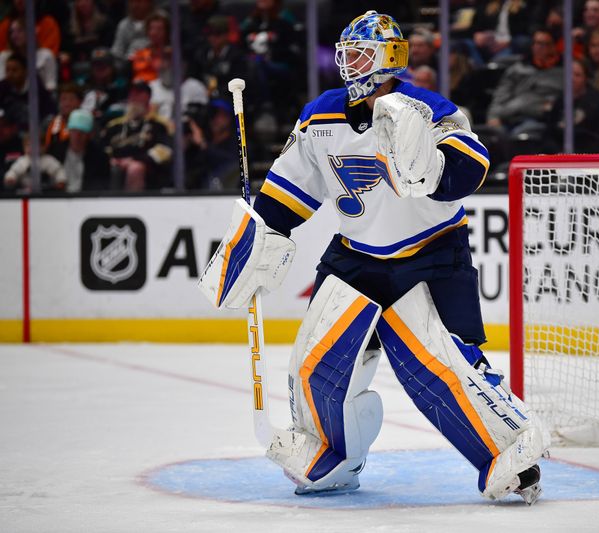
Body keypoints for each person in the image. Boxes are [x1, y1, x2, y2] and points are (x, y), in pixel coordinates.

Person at [198, 10, 548, 504]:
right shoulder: (321, 114)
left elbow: (471, 168)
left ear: (389, 59)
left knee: (445, 370)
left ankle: (512, 452)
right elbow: (288, 192)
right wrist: (258, 239)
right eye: (345, 53)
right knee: (314, 364)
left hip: (431, 257)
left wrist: (431, 162)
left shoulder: (428, 108)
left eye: (361, 53)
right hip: (355, 257)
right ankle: (334, 456)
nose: (349, 62)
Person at [485, 28, 563, 137]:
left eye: (545, 44)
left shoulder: (563, 73)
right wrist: (493, 117)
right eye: (537, 43)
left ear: (554, 47)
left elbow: (554, 106)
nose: (540, 47)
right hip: (508, 118)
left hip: (539, 121)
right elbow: (500, 97)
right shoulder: (517, 69)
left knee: (524, 132)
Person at [100, 81, 172, 191]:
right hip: (116, 165)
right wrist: (112, 159)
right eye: (132, 94)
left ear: (148, 98)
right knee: (111, 168)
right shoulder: (114, 125)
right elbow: (103, 147)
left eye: (139, 94)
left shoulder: (158, 125)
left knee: (135, 168)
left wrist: (134, 160)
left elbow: (164, 151)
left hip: (149, 171)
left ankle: (132, 206)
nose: (134, 98)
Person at [48, 109, 111, 192]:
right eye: (74, 131)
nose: (77, 137)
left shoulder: (100, 157)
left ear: (89, 135)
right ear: (69, 131)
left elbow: (100, 187)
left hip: (86, 200)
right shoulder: (55, 151)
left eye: (82, 133)